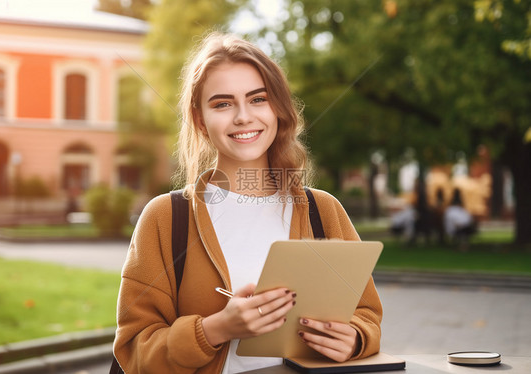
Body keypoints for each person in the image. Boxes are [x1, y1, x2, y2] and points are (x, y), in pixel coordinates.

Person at [113, 32, 382, 374]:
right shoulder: (166, 218)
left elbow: (367, 314)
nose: (243, 117)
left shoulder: (323, 210)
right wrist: (215, 330)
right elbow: (134, 350)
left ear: (278, 109)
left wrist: (355, 338)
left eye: (258, 99)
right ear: (200, 120)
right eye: (222, 103)